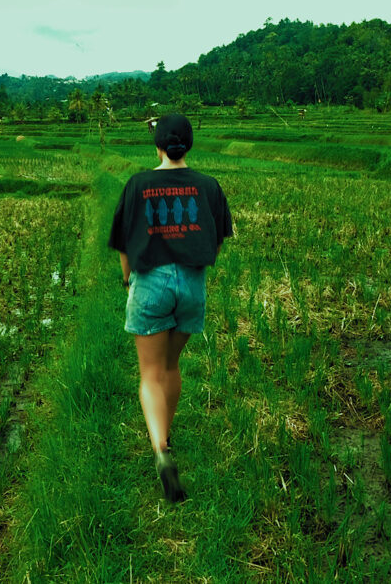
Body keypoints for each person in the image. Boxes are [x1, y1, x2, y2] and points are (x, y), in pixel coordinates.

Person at [108, 113, 233, 503]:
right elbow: (216, 243)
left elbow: (124, 246)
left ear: (157, 145)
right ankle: (166, 432)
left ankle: (161, 451)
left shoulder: (138, 184)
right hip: (192, 285)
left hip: (151, 282)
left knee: (149, 373)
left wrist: (129, 280)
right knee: (171, 366)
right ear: (188, 145)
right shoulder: (208, 187)